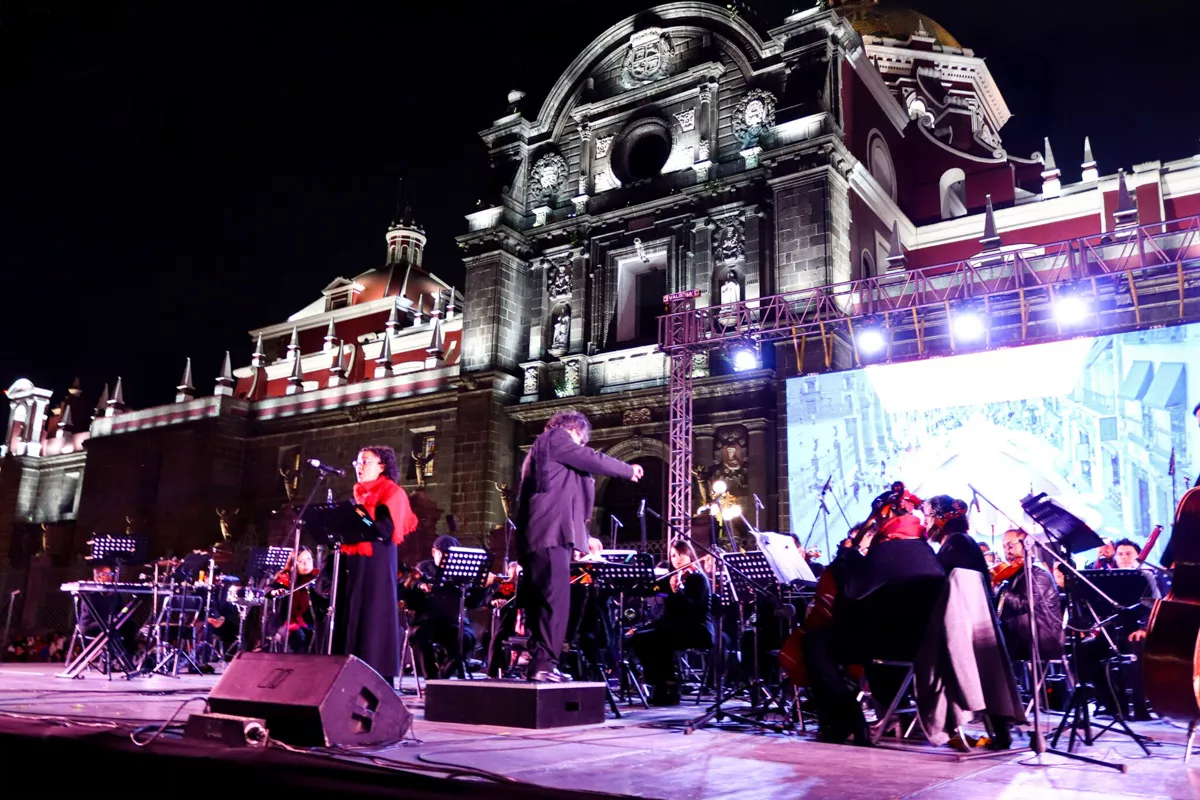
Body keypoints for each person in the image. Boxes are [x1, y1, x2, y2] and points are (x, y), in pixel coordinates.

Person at [515, 410, 643, 682]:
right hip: (549, 535)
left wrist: (583, 538)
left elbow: (563, 499)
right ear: (573, 429)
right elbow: (590, 459)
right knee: (555, 602)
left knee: (543, 603)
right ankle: (544, 666)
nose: (581, 446)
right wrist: (627, 469)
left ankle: (539, 664)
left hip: (540, 535)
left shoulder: (544, 451)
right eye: (581, 439)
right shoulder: (556, 438)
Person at [332, 445, 418, 684]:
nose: (359, 467)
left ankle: (376, 678)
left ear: (382, 467)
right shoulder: (359, 495)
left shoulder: (392, 493)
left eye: (365, 461)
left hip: (377, 566)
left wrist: (357, 513)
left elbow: (383, 531)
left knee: (374, 618)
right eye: (357, 462)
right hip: (356, 564)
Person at [629, 539, 714, 705]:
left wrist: (677, 591)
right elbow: (650, 589)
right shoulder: (672, 578)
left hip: (697, 629)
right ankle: (659, 683)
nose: (677, 559)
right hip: (674, 627)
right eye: (673, 555)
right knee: (638, 636)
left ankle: (669, 685)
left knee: (655, 638)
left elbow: (693, 611)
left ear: (690, 555)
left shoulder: (697, 579)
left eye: (681, 554)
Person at [405, 535, 486, 678]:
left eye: (452, 555)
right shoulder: (425, 567)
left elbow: (473, 603)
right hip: (427, 620)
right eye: (443, 554)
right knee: (419, 636)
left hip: (453, 621)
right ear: (433, 552)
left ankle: (443, 677)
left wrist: (483, 586)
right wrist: (420, 585)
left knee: (466, 639)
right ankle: (431, 679)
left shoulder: (462, 573)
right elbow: (411, 585)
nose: (447, 558)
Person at [996, 529, 1064, 662]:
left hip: (1040, 641)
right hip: (1019, 639)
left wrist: (1001, 588)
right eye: (1004, 547)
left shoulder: (1038, 572)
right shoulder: (1015, 572)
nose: (1007, 551)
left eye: (1010, 546)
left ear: (1025, 544)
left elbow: (1025, 604)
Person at [269, 547, 324, 653]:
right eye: (301, 561)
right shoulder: (286, 578)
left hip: (311, 624)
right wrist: (275, 592)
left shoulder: (317, 579)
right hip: (286, 623)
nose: (306, 564)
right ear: (294, 564)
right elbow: (269, 590)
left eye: (308, 559)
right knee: (299, 637)